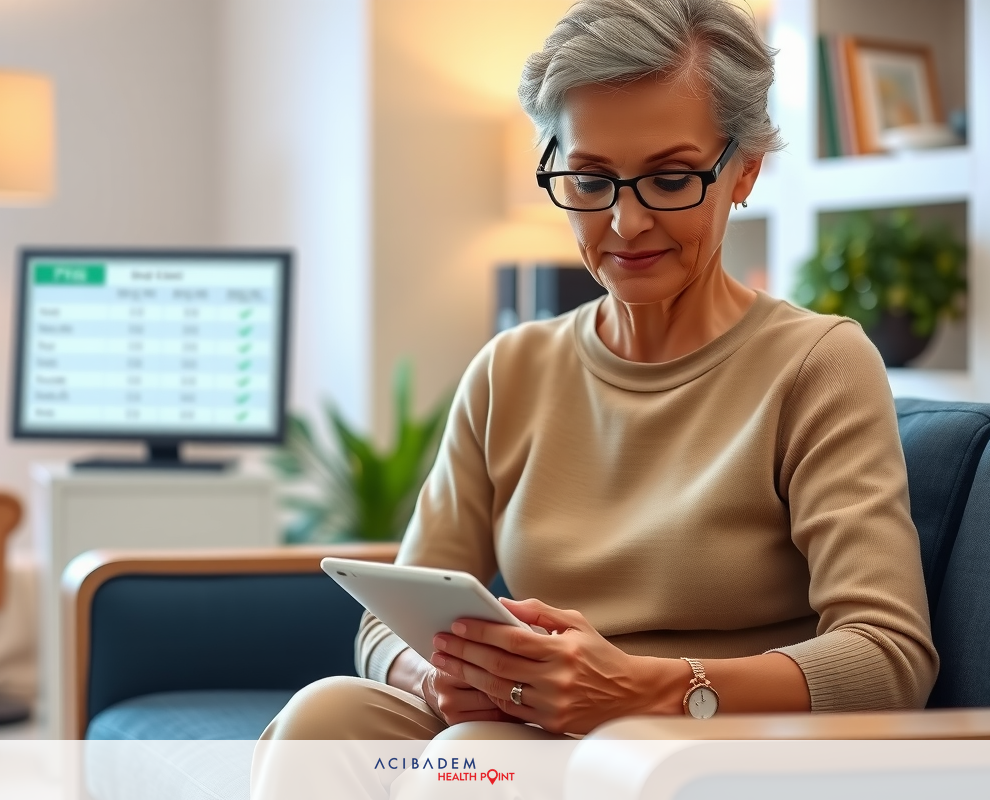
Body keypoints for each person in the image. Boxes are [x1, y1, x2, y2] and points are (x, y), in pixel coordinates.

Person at [259, 0, 936, 751]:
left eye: (670, 178)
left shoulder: (818, 365)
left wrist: (644, 690)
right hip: (532, 729)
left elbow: (888, 657)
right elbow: (386, 621)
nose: (625, 223)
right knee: (321, 720)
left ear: (744, 169)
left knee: (472, 757)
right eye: (590, 179)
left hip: (709, 747)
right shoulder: (510, 370)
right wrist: (434, 678)